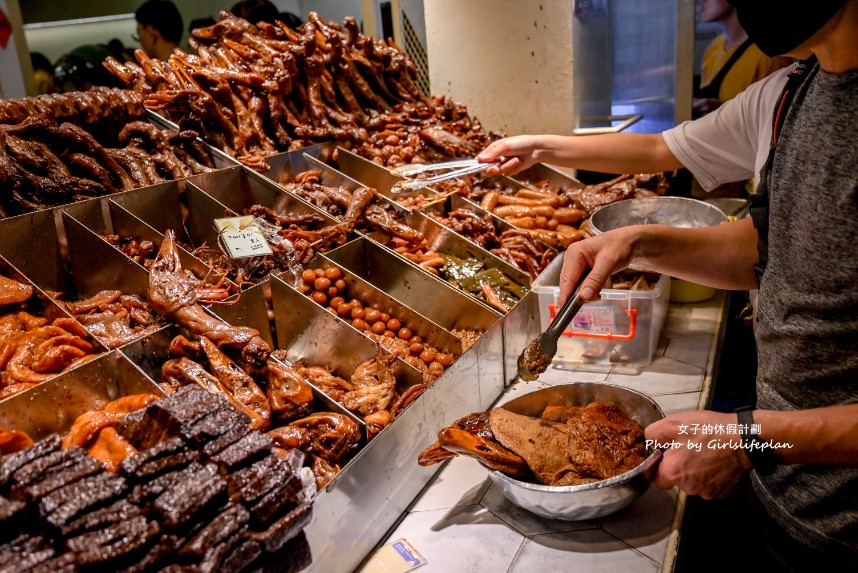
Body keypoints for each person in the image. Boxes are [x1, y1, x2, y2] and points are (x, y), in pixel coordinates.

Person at [477, 0, 858, 570]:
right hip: (783, 497)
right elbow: (777, 249)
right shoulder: (798, 93)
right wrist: (636, 242)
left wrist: (752, 439)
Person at [693, 0, 792, 119]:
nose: (701, 1)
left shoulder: (768, 55)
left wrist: (724, 113)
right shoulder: (714, 46)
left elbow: (774, 120)